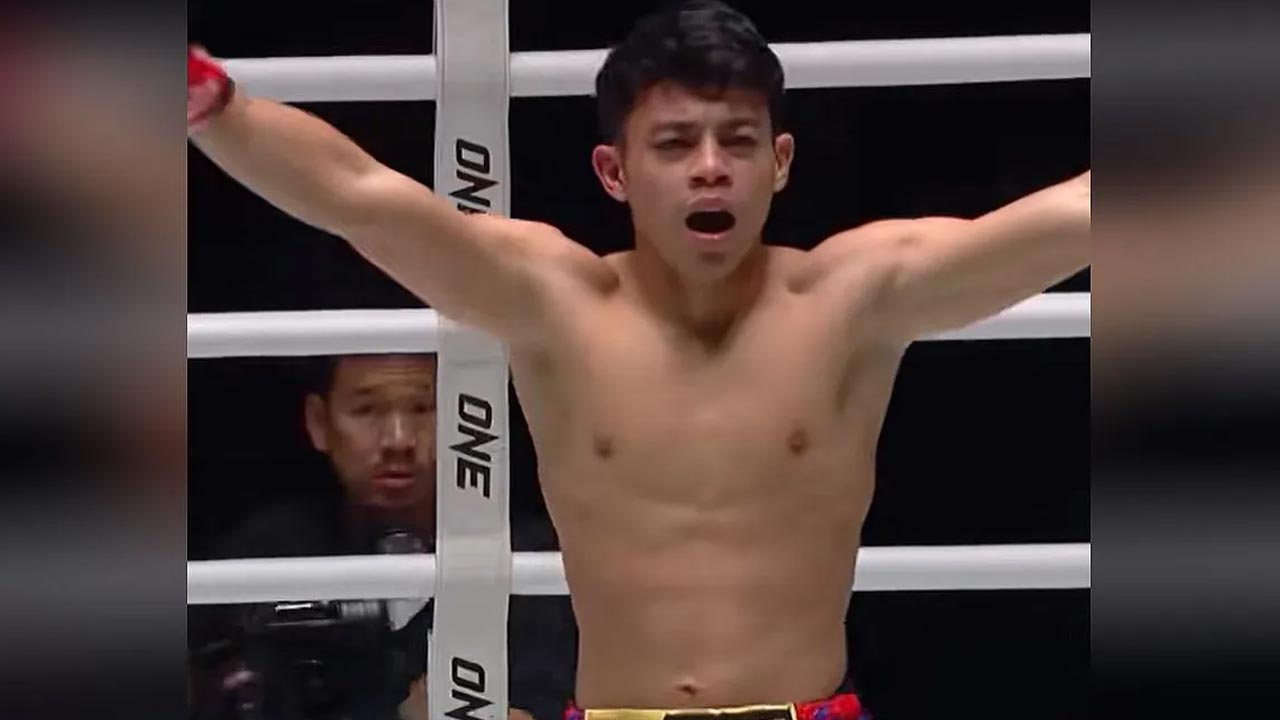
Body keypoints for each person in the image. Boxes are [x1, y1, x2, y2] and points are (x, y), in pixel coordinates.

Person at [187, 1, 1089, 716]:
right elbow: (359, 197)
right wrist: (208, 100)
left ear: (780, 162)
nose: (710, 167)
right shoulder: (554, 303)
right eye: (674, 143)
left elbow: (1063, 222)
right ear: (614, 172)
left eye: (738, 141)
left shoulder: (853, 298)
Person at [188, 354, 561, 720]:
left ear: (471, 422)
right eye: (366, 410)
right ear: (319, 422)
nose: (398, 440)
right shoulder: (261, 560)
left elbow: (570, 706)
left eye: (423, 408)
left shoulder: (537, 563)